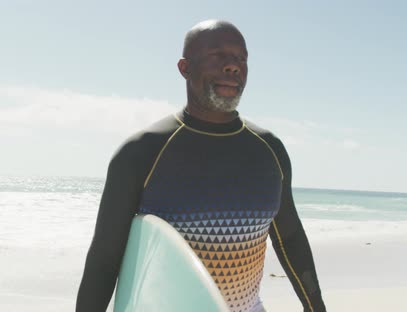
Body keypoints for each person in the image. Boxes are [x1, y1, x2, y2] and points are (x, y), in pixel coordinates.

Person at [77, 20, 326, 312]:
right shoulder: (142, 152)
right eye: (217, 56)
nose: (233, 66)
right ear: (185, 68)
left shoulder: (270, 151)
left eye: (240, 58)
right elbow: (105, 259)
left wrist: (316, 307)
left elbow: (290, 237)